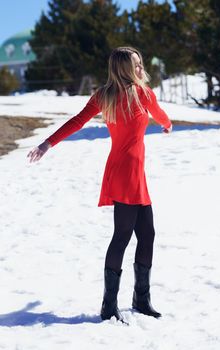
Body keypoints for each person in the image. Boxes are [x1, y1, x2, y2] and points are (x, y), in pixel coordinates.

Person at [27, 46, 172, 323]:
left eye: (141, 63)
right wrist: (47, 143)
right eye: (136, 65)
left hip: (131, 171)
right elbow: (77, 121)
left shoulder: (130, 94)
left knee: (147, 234)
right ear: (125, 69)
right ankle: (109, 305)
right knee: (122, 236)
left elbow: (159, 114)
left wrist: (166, 124)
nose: (141, 69)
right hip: (125, 172)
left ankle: (141, 299)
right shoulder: (125, 95)